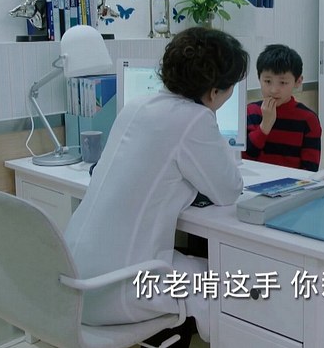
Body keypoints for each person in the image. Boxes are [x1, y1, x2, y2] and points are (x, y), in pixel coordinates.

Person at [64, 27, 249, 346]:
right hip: (120, 289)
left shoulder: (136, 106)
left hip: (74, 282)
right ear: (214, 92)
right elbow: (229, 191)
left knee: (190, 263)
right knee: (229, 280)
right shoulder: (195, 119)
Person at [242, 44, 322, 171]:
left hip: (293, 182)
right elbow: (244, 159)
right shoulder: (250, 112)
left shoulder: (308, 119)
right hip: (255, 181)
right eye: (267, 81)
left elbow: (310, 169)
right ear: (259, 78)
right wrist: (264, 126)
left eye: (283, 82)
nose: (274, 90)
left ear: (298, 82)